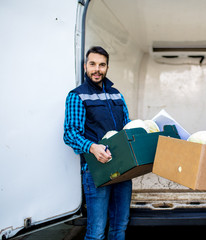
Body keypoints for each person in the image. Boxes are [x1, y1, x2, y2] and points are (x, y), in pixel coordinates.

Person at [63, 46, 132, 240]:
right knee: (96, 232)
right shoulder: (77, 95)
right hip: (96, 171)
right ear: (85, 66)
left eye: (102, 65)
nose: (97, 69)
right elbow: (70, 134)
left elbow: (127, 126)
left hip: (123, 168)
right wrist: (93, 147)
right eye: (92, 64)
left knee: (119, 228)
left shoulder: (116, 94)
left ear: (107, 67)